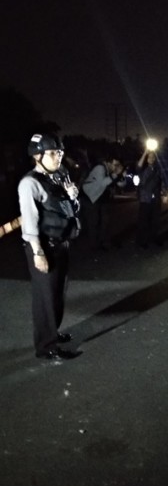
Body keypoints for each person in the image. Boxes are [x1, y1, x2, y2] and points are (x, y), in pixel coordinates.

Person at [18, 134, 81, 360]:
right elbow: (30, 220)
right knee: (45, 297)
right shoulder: (29, 183)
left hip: (62, 242)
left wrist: (73, 196)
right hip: (43, 246)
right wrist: (37, 252)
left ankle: (53, 332)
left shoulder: (58, 176)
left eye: (60, 153)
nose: (59, 157)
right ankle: (46, 347)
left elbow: (68, 208)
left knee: (58, 293)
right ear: (37, 156)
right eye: (53, 153)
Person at [81, 155, 125, 250]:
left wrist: (122, 175)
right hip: (90, 196)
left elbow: (121, 184)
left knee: (105, 221)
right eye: (115, 164)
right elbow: (103, 183)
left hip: (100, 198)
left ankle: (103, 241)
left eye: (118, 165)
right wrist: (116, 174)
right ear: (108, 162)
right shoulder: (100, 168)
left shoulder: (111, 171)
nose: (116, 167)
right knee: (93, 222)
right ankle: (94, 245)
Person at [135, 149, 163, 247]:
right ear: (146, 159)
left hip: (156, 198)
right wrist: (145, 152)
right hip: (145, 198)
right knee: (144, 220)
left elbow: (161, 182)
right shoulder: (143, 168)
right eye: (149, 157)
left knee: (155, 219)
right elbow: (138, 167)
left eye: (153, 157)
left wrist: (165, 193)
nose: (151, 159)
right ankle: (142, 241)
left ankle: (154, 238)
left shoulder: (157, 169)